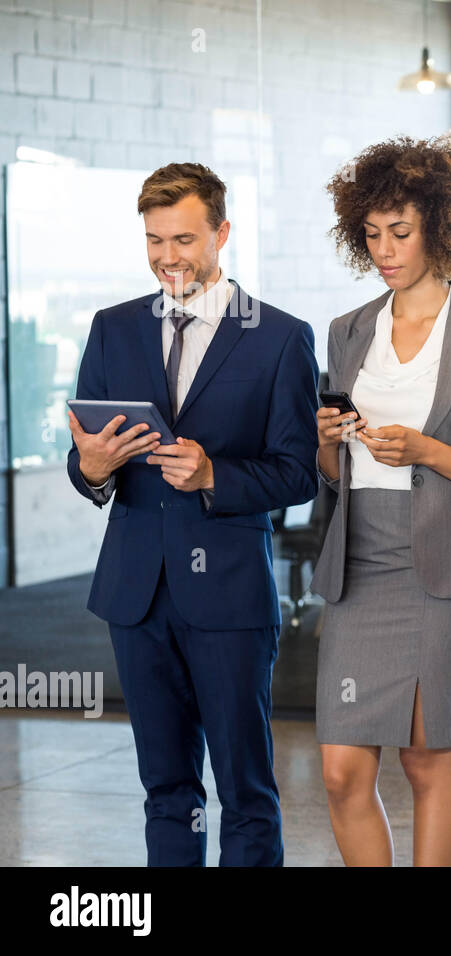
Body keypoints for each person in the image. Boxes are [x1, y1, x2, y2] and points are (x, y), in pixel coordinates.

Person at [65, 163, 319, 866]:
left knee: (244, 789)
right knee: (167, 788)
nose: (167, 258)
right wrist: (90, 468)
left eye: (183, 239)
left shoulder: (278, 337)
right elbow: (86, 456)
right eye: (154, 241)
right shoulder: (113, 329)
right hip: (136, 593)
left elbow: (299, 473)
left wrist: (215, 475)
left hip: (230, 595)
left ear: (222, 233)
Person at [310, 134, 451, 867]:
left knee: (427, 762)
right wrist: (328, 440)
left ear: (441, 226)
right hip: (359, 560)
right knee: (340, 770)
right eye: (371, 234)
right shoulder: (347, 331)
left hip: (442, 564)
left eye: (401, 231)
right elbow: (328, 473)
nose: (385, 250)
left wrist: (427, 450)